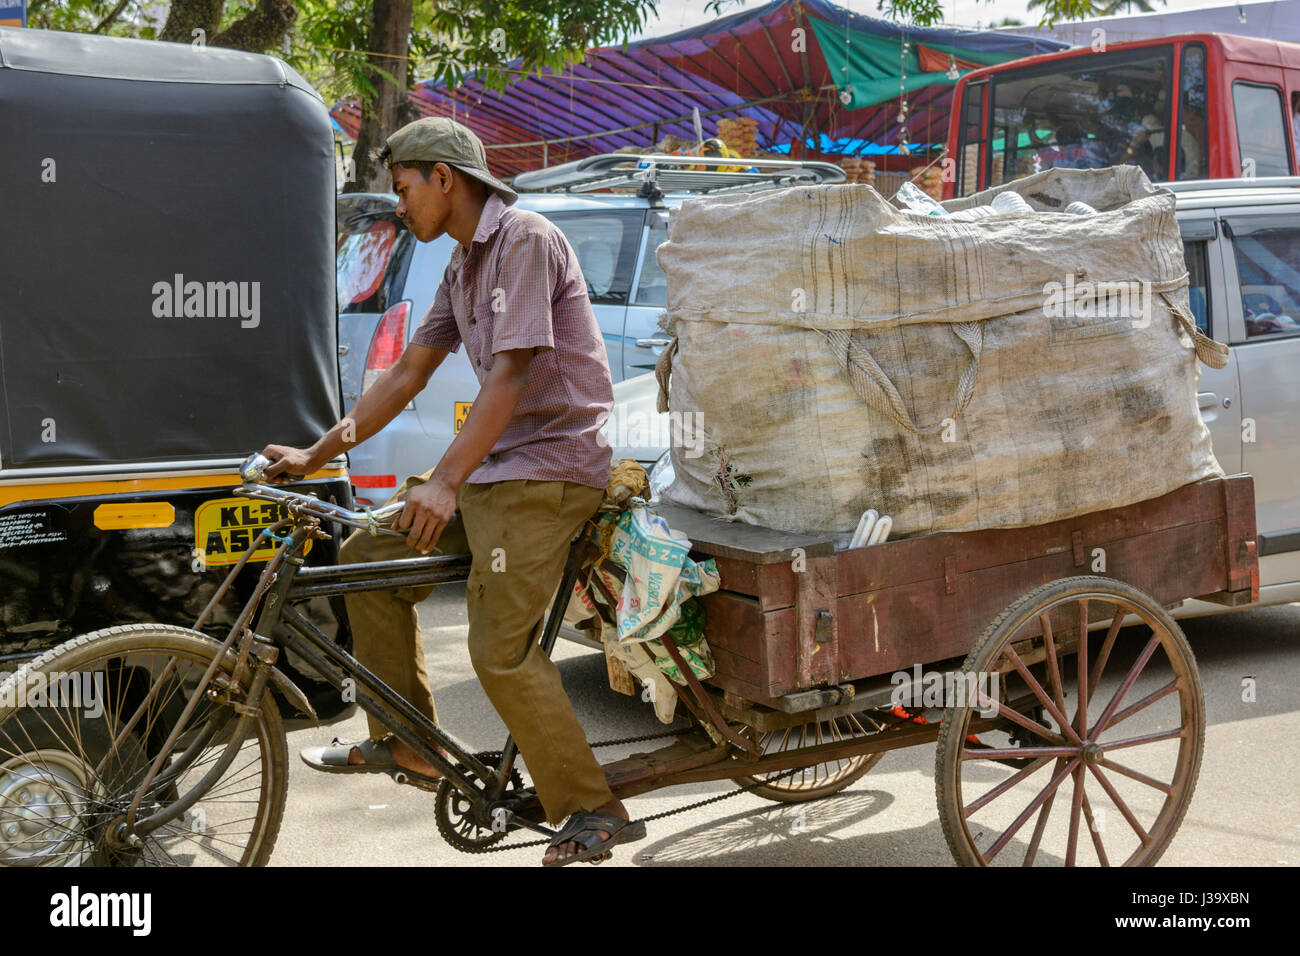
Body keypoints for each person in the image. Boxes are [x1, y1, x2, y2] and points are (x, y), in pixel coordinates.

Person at [261, 117, 643, 867]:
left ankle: (593, 810)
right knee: (365, 554)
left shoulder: (525, 240)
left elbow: (511, 374)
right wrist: (313, 454)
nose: (398, 206)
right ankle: (405, 745)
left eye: (402, 189)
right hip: (499, 469)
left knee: (498, 650)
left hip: (551, 472)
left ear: (444, 178)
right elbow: (407, 374)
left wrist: (441, 483)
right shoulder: (463, 267)